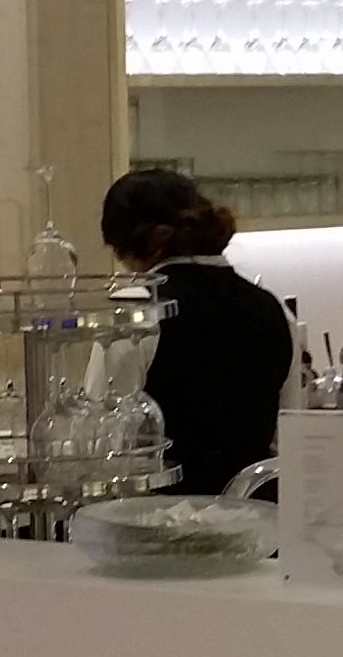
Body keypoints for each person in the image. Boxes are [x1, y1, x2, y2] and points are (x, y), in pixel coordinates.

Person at [99, 168, 293, 498]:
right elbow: (288, 433)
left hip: (159, 517)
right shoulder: (272, 307)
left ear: (129, 248)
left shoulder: (134, 309)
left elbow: (105, 437)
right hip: (255, 516)